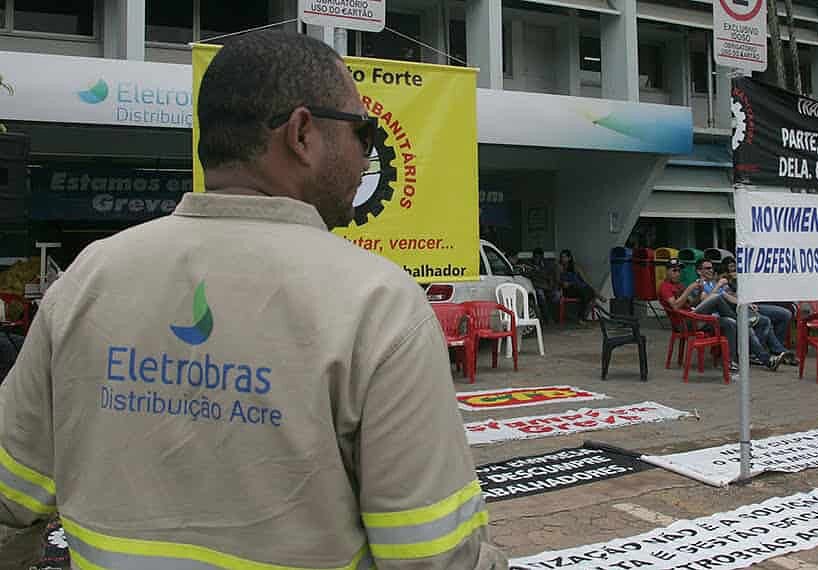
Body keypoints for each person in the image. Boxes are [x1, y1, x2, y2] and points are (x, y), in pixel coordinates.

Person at [0, 32, 504, 570]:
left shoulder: (86, 282)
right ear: (303, 133)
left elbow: (10, 497)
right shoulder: (378, 306)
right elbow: (431, 556)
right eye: (363, 133)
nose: (366, 155)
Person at [558, 249, 605, 324]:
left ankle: (582, 316)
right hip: (568, 290)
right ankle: (594, 301)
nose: (563, 259)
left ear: (569, 258)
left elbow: (585, 279)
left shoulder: (575, 266)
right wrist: (563, 283)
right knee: (587, 293)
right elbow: (558, 280)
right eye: (562, 257)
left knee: (587, 291)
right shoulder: (560, 267)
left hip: (579, 287)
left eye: (565, 257)